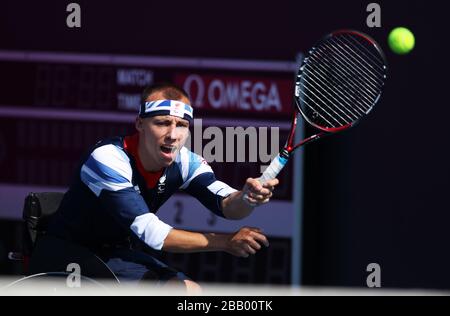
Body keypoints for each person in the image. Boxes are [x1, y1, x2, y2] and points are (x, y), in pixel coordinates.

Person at [46, 83, 279, 293]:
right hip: (66, 257)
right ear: (140, 124)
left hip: (114, 255)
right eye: (162, 123)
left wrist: (247, 198)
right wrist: (225, 243)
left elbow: (228, 206)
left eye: (181, 125)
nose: (172, 135)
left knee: (188, 291)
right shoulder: (107, 158)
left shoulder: (186, 162)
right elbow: (153, 234)